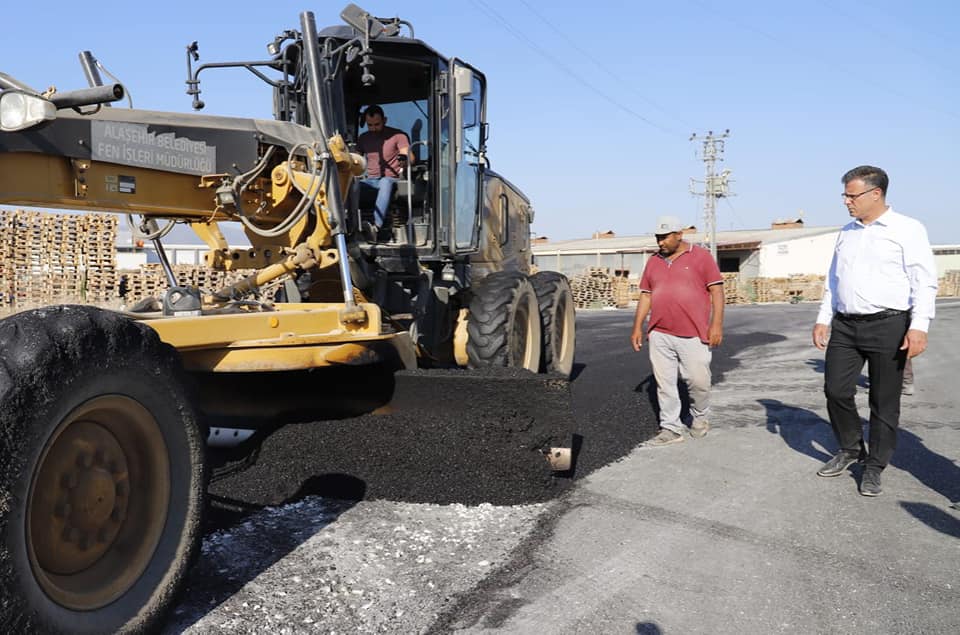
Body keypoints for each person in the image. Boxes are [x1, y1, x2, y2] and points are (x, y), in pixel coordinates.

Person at [812, 165, 938, 496]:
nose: (846, 201)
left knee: (883, 401)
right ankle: (852, 449)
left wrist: (919, 326)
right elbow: (834, 279)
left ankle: (875, 466)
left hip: (889, 325)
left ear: (875, 193)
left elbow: (924, 281)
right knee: (836, 391)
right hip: (845, 325)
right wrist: (824, 317)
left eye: (851, 195)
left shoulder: (907, 229)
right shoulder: (847, 232)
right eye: (845, 195)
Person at [631, 215, 725, 446]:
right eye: (657, 238)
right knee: (665, 384)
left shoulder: (701, 258)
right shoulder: (653, 261)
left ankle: (700, 417)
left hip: (693, 333)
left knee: (698, 381)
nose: (660, 242)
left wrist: (716, 324)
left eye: (664, 237)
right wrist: (637, 327)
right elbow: (646, 295)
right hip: (660, 332)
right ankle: (670, 428)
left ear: (679, 235)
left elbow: (717, 292)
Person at [355, 105, 412, 241]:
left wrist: (405, 158)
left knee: (385, 182)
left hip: (392, 179)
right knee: (351, 185)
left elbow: (408, 155)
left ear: (385, 120)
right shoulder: (363, 138)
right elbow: (356, 159)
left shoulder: (398, 136)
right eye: (370, 125)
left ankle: (376, 227)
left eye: (377, 124)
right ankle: (350, 226)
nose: (374, 128)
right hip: (370, 180)